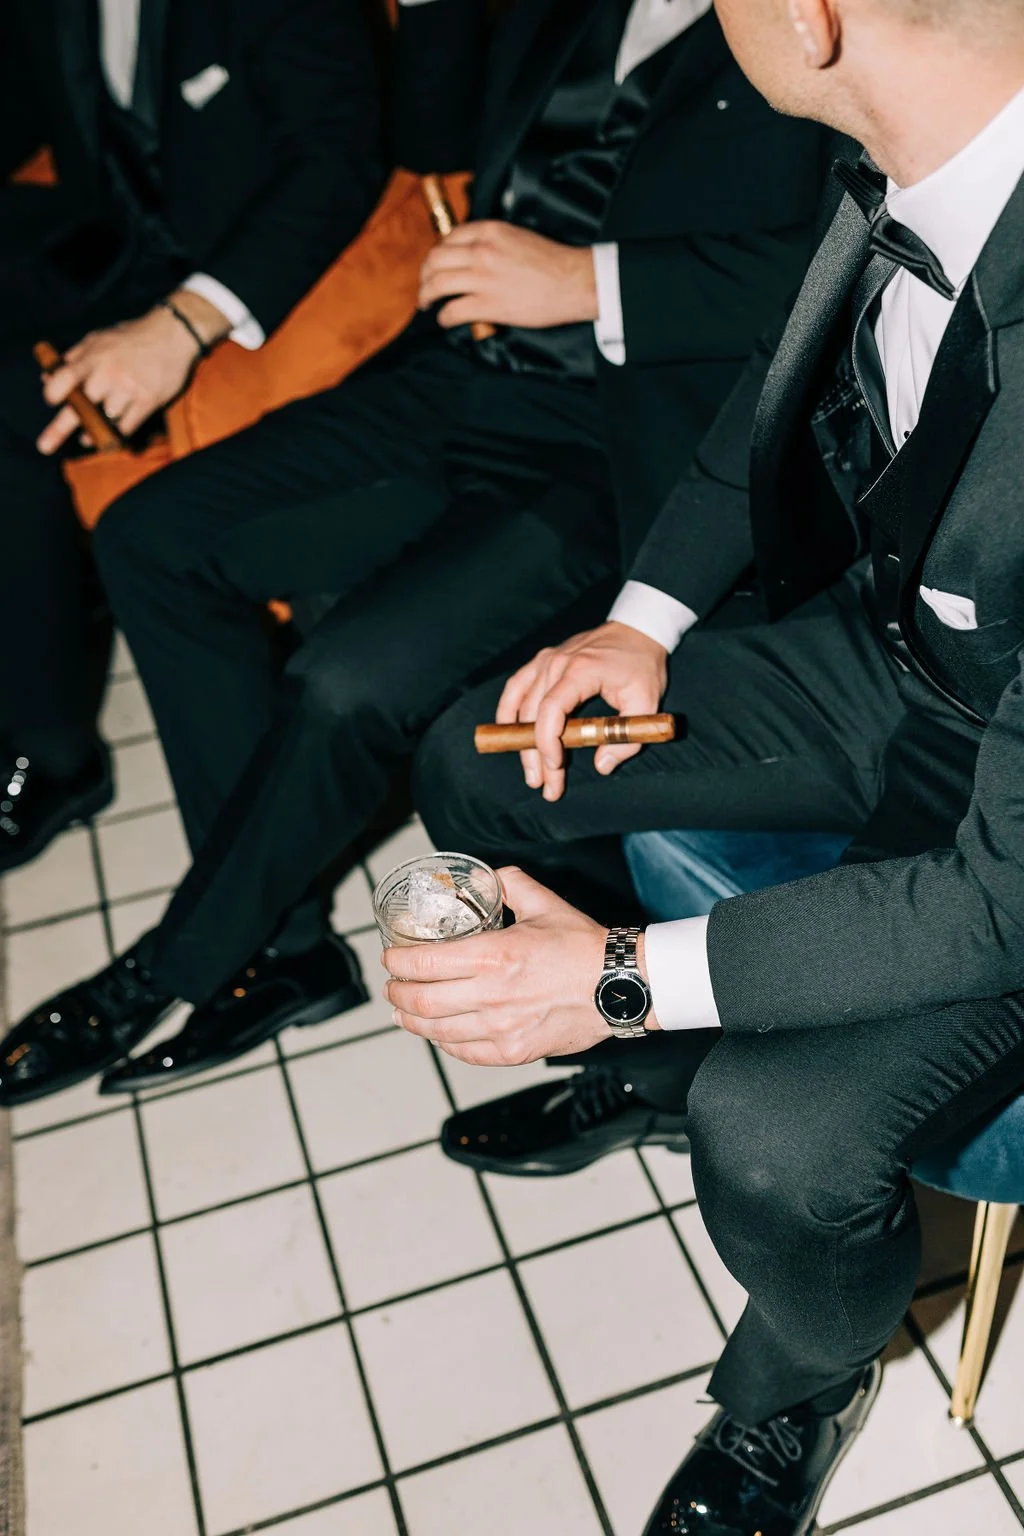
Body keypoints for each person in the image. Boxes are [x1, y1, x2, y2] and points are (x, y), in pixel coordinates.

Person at [382, 0, 1024, 1528]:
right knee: (487, 760)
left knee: (779, 1138)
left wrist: (606, 972)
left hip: (1013, 844)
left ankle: (798, 1382)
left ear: (806, 22)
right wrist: (641, 623)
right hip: (897, 669)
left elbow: (1000, 899)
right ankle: (665, 1070)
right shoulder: (914, 150)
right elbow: (778, 379)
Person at [0, 0, 832, 1106]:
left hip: (637, 437)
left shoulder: (821, 21)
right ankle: (283, 947)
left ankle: (178, 963)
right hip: (469, 368)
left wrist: (592, 282)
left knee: (345, 683)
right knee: (155, 535)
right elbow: (428, 143)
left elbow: (855, 253)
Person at [0, 0, 384, 875]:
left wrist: (180, 327)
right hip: (113, 242)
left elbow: (336, 159)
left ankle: (53, 750)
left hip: (235, 262)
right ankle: (46, 683)